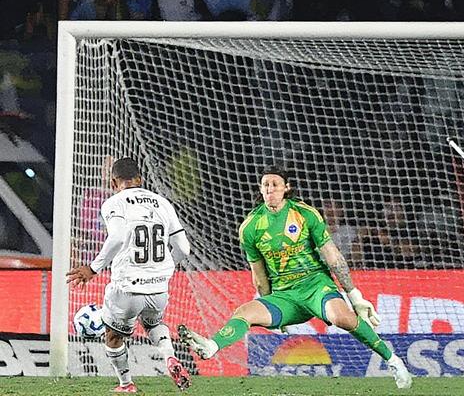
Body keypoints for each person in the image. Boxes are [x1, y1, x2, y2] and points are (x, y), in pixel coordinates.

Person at [178, 166, 412, 389]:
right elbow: (259, 276)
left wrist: (354, 295)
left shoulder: (304, 214)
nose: (270, 189)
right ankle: (212, 345)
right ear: (260, 189)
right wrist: (271, 308)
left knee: (342, 318)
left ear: (286, 188)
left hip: (315, 286)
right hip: (284, 296)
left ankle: (392, 360)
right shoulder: (249, 227)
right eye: (265, 185)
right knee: (244, 312)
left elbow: (333, 257)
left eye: (275, 184)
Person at [66, 158, 192, 393]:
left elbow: (116, 237)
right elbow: (184, 248)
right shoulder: (162, 203)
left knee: (113, 337)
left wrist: (93, 268)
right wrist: (163, 267)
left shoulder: (114, 202)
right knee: (153, 324)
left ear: (114, 182)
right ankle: (170, 358)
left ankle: (126, 384)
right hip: (158, 288)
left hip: (127, 288)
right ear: (140, 179)